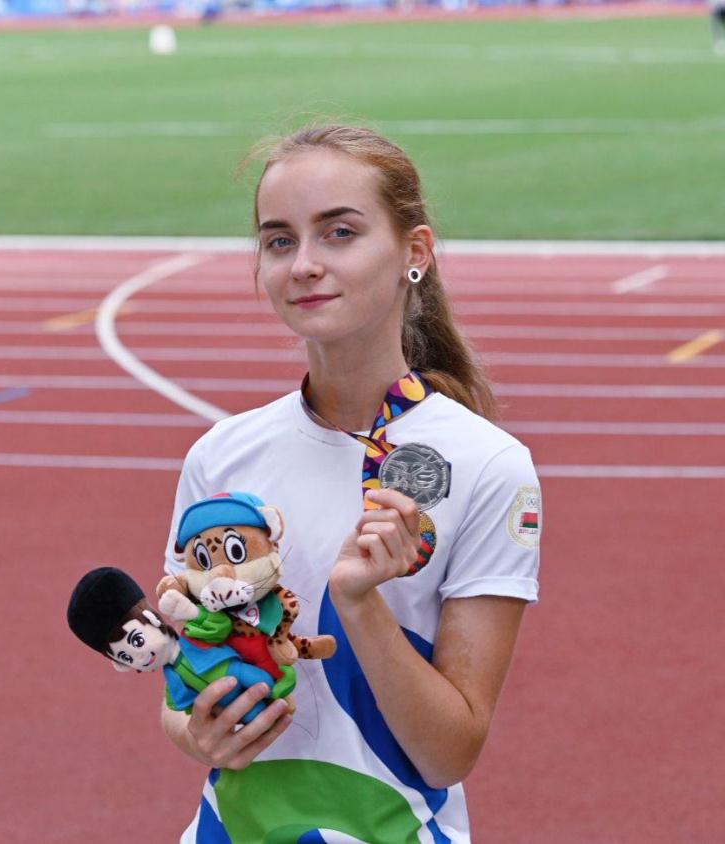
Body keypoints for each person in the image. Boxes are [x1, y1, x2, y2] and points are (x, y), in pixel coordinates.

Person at [160, 124, 541, 843]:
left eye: (339, 233)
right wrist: (197, 732)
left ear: (414, 253)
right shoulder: (221, 456)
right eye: (280, 240)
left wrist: (359, 605)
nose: (304, 264)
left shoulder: (491, 465)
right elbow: (181, 693)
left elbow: (448, 753)